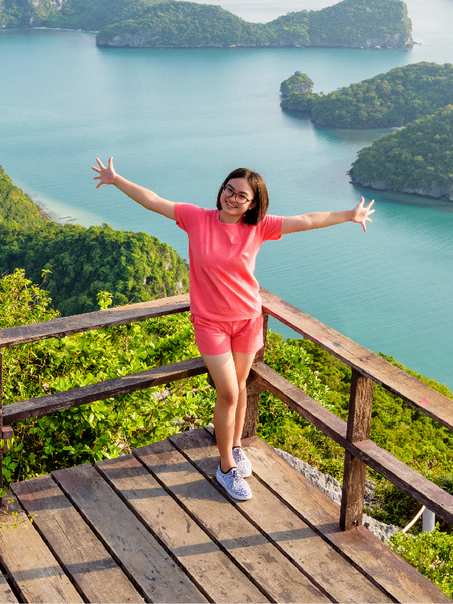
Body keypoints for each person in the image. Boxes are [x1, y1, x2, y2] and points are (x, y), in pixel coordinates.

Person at [92, 158, 374, 502]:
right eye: (229, 189)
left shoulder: (258, 227)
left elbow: (306, 220)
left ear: (253, 203)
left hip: (247, 320)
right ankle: (225, 468)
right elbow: (153, 200)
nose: (232, 197)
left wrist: (349, 214)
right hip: (210, 323)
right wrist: (116, 179)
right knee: (227, 392)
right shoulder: (197, 218)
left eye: (242, 195)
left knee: (239, 387)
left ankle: (235, 445)